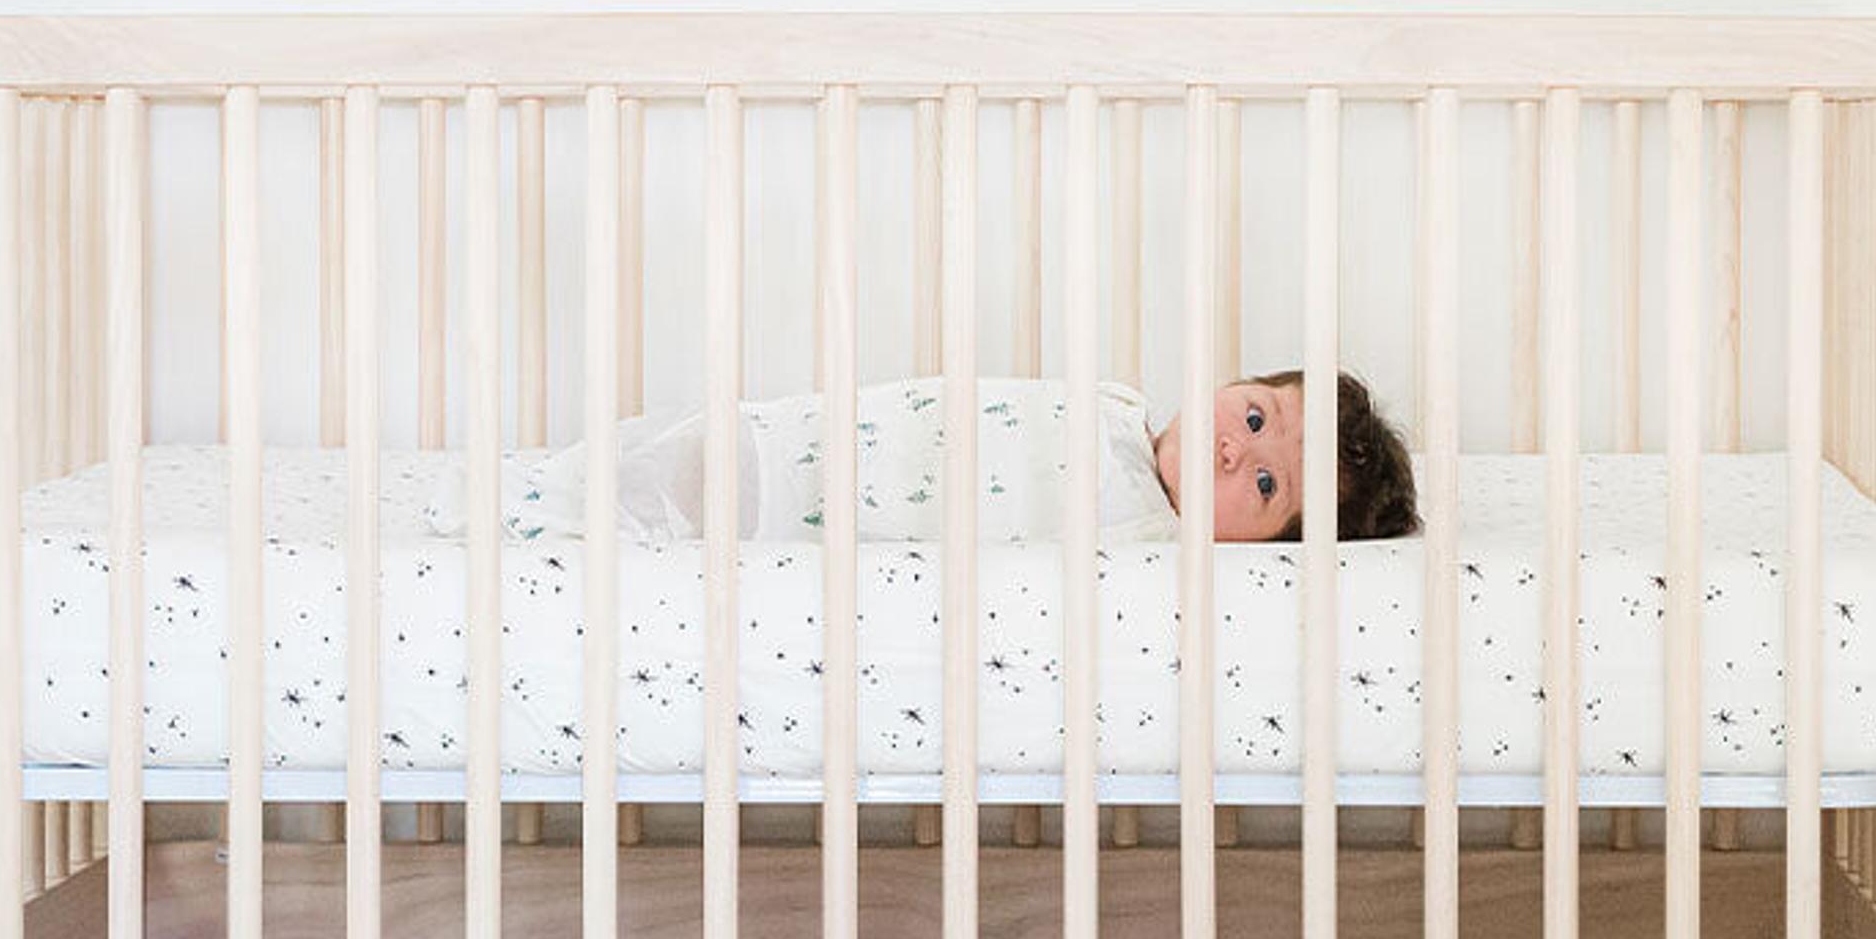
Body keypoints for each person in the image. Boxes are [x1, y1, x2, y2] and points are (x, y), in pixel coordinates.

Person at [519, 370, 1418, 545]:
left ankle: (542, 509)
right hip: (814, 438)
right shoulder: (1118, 406)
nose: (1236, 447)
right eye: (1256, 414)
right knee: (660, 456)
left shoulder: (1147, 541)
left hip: (817, 519)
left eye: (1266, 484)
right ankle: (530, 497)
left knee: (660, 512)